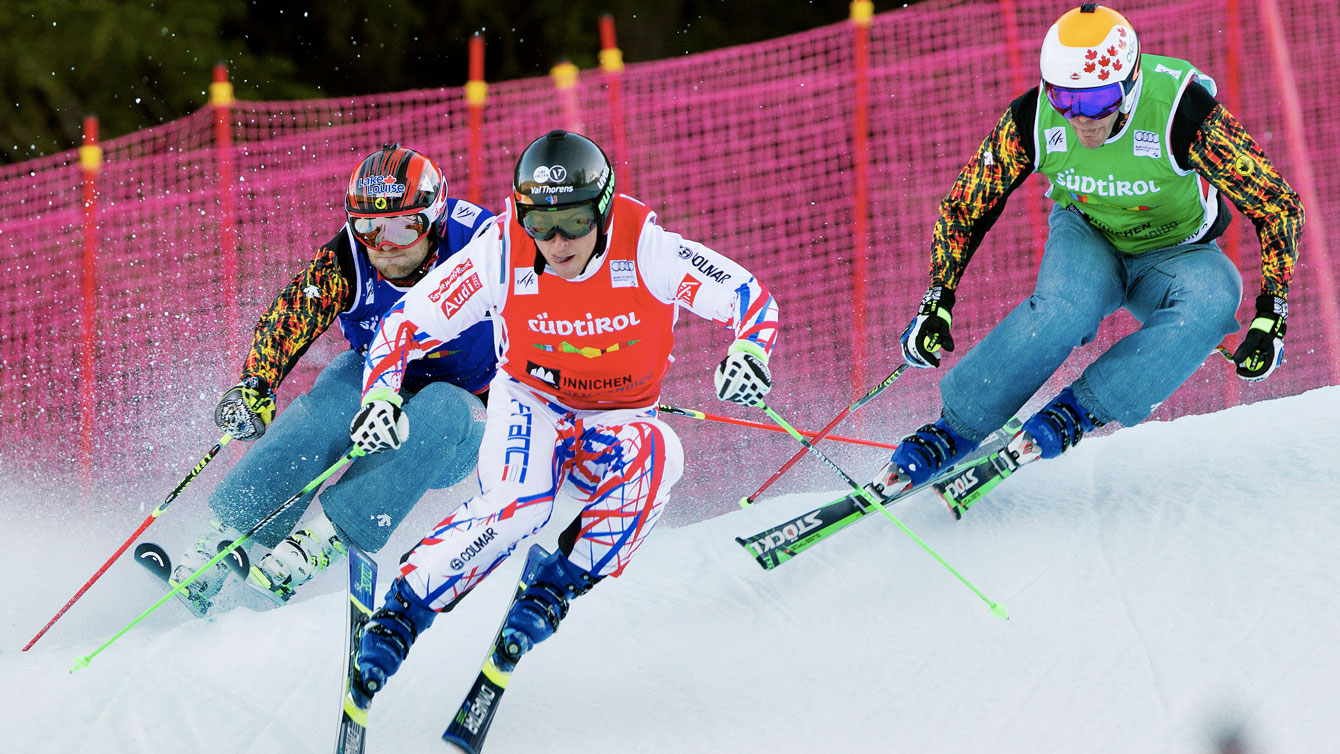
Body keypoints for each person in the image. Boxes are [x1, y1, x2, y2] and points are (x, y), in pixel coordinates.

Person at [341, 130, 780, 710]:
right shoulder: (502, 250)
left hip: (616, 420)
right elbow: (405, 325)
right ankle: (402, 614)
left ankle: (556, 587)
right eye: (539, 223)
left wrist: (750, 351)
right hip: (533, 407)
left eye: (573, 221)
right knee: (520, 505)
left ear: (601, 208)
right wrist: (380, 397)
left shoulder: (648, 249)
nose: (556, 241)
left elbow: (748, 297)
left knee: (661, 452)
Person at [870, 4, 1303, 497]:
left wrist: (1272, 314)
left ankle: (1082, 408)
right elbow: (966, 207)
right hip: (1089, 237)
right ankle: (956, 428)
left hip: (1176, 253)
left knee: (1216, 296)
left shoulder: (1182, 112)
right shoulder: (1033, 119)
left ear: (1130, 83)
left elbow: (1278, 205)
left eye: (1097, 102)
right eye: (1066, 101)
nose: (1081, 120)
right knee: (1064, 309)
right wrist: (937, 299)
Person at [169, 143, 497, 616]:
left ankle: (321, 540)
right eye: (369, 227)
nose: (385, 246)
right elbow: (293, 313)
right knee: (333, 397)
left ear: (434, 219)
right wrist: (256, 384)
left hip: (466, 414)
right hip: (381, 378)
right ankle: (223, 538)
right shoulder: (349, 257)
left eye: (405, 227)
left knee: (441, 406)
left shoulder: (481, 244)